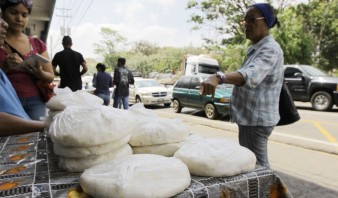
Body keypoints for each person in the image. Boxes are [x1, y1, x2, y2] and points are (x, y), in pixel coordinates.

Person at [199, 3, 283, 168]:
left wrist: (219, 77)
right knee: (252, 163)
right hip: (250, 118)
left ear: (266, 22)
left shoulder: (270, 49)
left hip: (256, 120)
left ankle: (269, 192)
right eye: (244, 21)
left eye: (252, 20)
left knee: (257, 167)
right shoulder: (255, 49)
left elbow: (251, 75)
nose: (246, 25)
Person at [0, 0, 54, 121]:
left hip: (35, 100)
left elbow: (50, 76)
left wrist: (38, 73)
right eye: (13, 13)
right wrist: (3, 67)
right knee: (12, 138)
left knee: (36, 136)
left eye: (24, 15)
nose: (19, 19)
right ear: (2, 13)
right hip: (7, 102)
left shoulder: (37, 43)